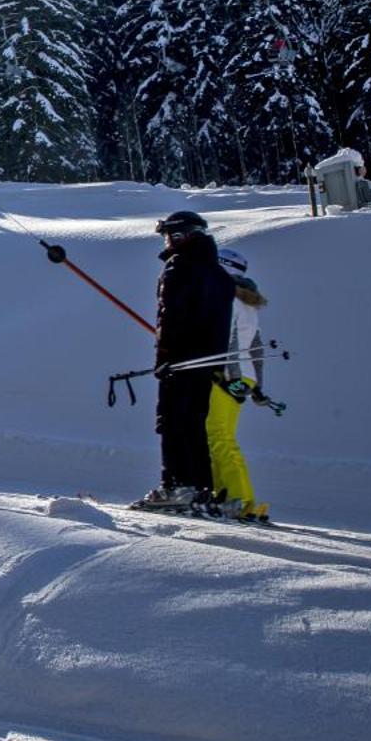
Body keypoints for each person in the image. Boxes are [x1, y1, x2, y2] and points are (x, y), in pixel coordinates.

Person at [140, 210, 235, 512]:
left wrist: (164, 356)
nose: (166, 241)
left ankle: (177, 486)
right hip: (207, 362)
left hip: (180, 362)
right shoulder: (219, 273)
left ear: (181, 235)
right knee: (194, 424)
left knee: (172, 423)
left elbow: (172, 317)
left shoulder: (178, 267)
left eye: (168, 235)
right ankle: (200, 487)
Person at [204, 248, 267, 520]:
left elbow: (228, 340)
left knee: (219, 437)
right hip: (243, 374)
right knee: (217, 436)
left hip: (229, 375)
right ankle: (227, 495)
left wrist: (228, 377)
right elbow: (256, 347)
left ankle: (239, 500)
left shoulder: (228, 299)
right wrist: (257, 387)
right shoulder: (247, 303)